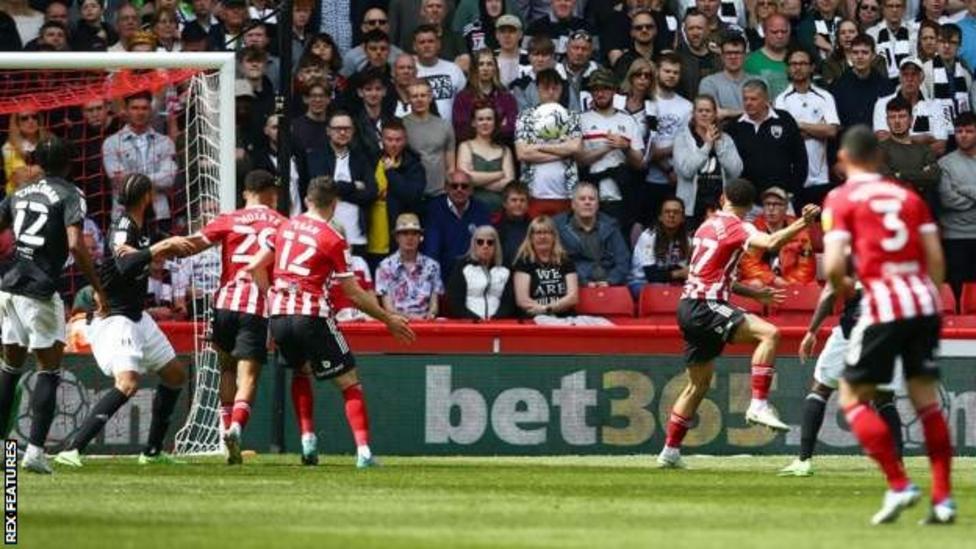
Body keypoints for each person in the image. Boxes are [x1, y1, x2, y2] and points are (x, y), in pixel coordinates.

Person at [821, 125, 954, 525]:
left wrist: (842, 285)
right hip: (924, 302)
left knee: (850, 396)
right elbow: (935, 259)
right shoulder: (908, 196)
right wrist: (928, 300)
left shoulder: (840, 198)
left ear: (843, 161)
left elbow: (832, 267)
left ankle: (899, 484)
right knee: (926, 402)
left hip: (883, 304)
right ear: (879, 159)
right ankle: (943, 500)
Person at [244, 176, 416, 467]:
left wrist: (270, 296)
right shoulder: (332, 237)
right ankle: (363, 453)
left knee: (301, 373)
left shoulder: (284, 227)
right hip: (312, 315)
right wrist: (387, 319)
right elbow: (353, 293)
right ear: (334, 204)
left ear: (308, 199)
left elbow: (253, 266)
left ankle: (308, 442)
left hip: (280, 317)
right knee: (350, 384)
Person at [657, 178, 820, 469]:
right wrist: (803, 222)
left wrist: (753, 291)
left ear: (722, 198)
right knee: (770, 334)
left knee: (698, 385)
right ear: (749, 206)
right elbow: (770, 242)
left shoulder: (707, 225)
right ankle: (758, 404)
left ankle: (670, 451)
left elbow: (716, 274)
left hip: (688, 305)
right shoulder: (738, 226)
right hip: (707, 306)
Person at [53, 174, 192, 469]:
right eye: (152, 192)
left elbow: (146, 255)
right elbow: (124, 263)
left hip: (136, 317)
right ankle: (72, 449)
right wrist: (158, 249)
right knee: (127, 384)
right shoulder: (123, 226)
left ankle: (152, 452)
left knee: (176, 375)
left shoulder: (145, 228)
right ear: (146, 197)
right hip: (115, 318)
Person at [157, 170, 285, 465]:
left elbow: (192, 245)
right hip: (256, 305)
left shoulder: (229, 219)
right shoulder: (282, 223)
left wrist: (160, 247)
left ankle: (225, 433)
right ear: (271, 194)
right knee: (248, 375)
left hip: (224, 303)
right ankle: (237, 429)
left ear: (245, 193)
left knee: (226, 369)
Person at [0, 137, 107, 473]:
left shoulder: (19, 192)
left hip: (8, 286)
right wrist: (97, 285)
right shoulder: (70, 194)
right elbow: (75, 244)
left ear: (40, 164)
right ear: (69, 163)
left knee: (10, 369)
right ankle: (34, 451)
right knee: (48, 369)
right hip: (39, 290)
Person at [780, 279, 905, 477]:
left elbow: (830, 292)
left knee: (821, 389)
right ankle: (897, 463)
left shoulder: (849, 257)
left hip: (852, 334)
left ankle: (803, 460)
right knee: (883, 397)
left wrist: (812, 331)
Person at [774, 48, 841, 210]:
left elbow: (832, 131)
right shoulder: (781, 99)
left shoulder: (825, 97)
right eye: (794, 64)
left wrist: (799, 125)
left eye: (803, 63)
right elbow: (784, 136)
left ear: (812, 67)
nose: (798, 67)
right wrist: (818, 129)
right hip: (792, 176)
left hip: (820, 176)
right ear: (788, 68)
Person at [577, 68, 644, 228]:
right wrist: (606, 148)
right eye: (595, 89)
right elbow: (579, 160)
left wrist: (625, 148)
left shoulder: (627, 120)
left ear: (614, 90)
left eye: (605, 88)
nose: (600, 93)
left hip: (621, 193)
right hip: (591, 193)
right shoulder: (582, 120)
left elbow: (640, 163)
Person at [306, 111, 378, 256]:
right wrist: (354, 186)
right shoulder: (316, 157)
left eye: (347, 128)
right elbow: (321, 189)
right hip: (324, 232)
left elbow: (371, 192)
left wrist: (338, 192)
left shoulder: (361, 159)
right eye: (337, 129)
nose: (343, 132)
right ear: (328, 131)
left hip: (356, 235)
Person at [102, 91, 179, 227]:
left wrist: (135, 178)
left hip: (159, 215)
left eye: (144, 108)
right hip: (124, 215)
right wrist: (154, 179)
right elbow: (119, 179)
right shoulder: (111, 143)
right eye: (135, 108)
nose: (140, 113)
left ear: (151, 111)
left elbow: (169, 178)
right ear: (126, 110)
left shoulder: (165, 142)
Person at [726, 80, 808, 206]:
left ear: (765, 99)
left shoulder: (784, 120)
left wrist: (793, 190)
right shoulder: (735, 126)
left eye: (753, 99)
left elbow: (800, 158)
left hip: (780, 199)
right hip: (747, 202)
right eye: (745, 99)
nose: (748, 103)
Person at [515, 68, 582, 218]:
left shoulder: (572, 117)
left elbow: (576, 147)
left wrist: (539, 147)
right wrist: (563, 151)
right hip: (533, 192)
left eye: (555, 88)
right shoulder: (526, 117)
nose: (551, 92)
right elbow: (522, 153)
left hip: (566, 193)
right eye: (546, 88)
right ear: (537, 89)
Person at [674, 94, 744, 227]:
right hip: (691, 208)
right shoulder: (682, 138)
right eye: (700, 111)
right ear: (693, 114)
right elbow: (686, 171)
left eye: (708, 111)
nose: (704, 114)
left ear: (715, 114)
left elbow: (736, 171)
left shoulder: (726, 140)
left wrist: (717, 145)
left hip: (720, 206)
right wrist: (707, 146)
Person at [366, 119, 427, 267]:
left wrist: (391, 172)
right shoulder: (371, 160)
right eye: (389, 139)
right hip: (372, 234)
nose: (393, 144)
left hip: (400, 237)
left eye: (398, 140)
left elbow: (412, 195)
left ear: (405, 140)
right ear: (382, 140)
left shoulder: (414, 165)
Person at [553, 182, 631, 287]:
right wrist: (584, 283)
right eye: (582, 199)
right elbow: (558, 263)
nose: (587, 202)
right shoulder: (559, 228)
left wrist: (610, 281)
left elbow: (623, 260)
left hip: (610, 285)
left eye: (591, 199)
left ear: (597, 205)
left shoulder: (611, 226)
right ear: (573, 205)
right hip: (576, 287)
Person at [738, 187, 816, 287]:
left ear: (786, 207)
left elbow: (806, 266)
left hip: (791, 282)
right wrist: (772, 279)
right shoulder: (753, 229)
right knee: (755, 284)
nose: (771, 208)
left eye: (777, 204)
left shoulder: (799, 229)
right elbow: (748, 264)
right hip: (762, 282)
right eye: (767, 204)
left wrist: (791, 283)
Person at [872, 57, 948, 157]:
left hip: (924, 167)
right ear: (899, 77)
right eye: (905, 74)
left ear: (922, 78)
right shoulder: (882, 103)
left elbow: (941, 147)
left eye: (914, 74)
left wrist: (898, 141)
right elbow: (882, 138)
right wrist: (923, 139)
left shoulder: (935, 106)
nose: (909, 79)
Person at [424, 170, 492, 281]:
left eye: (464, 186)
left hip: (474, 275)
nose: (459, 190)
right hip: (443, 275)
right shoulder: (434, 209)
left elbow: (487, 248)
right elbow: (432, 250)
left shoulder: (481, 210)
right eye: (454, 186)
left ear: (471, 190)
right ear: (446, 188)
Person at [375, 213, 444, 319]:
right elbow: (388, 308)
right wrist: (413, 318)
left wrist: (431, 315)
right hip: (397, 324)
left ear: (420, 237)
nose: (410, 238)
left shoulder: (432, 266)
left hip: (426, 323)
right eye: (405, 233)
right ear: (397, 237)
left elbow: (434, 305)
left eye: (414, 234)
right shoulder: (384, 267)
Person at [937, 112, 976, 299]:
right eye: (959, 131)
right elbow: (947, 199)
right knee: (958, 295)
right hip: (954, 238)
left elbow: (956, 195)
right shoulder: (944, 163)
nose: (963, 135)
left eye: (969, 131)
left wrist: (964, 189)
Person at [879, 96, 942, 207]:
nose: (897, 121)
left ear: (911, 120)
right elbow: (887, 181)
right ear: (887, 121)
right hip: (892, 211)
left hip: (921, 210)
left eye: (902, 116)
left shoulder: (924, 149)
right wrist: (920, 176)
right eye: (892, 117)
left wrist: (900, 174)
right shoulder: (879, 149)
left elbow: (934, 176)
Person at [512, 215, 579, 317]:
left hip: (564, 318)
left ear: (554, 236)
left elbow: (573, 297)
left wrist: (547, 309)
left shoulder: (565, 260)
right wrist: (547, 311)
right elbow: (522, 300)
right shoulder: (524, 262)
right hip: (535, 319)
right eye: (538, 233)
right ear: (531, 237)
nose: (542, 237)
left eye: (547, 232)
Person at [446, 225, 515, 319]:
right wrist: (477, 321)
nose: (485, 246)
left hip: (498, 324)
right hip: (469, 324)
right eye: (480, 242)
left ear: (496, 246)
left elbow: (508, 302)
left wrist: (495, 320)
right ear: (474, 245)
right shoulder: (461, 266)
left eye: (490, 242)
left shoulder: (505, 268)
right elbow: (455, 303)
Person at [457, 102, 516, 212]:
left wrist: (478, 182)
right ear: (473, 123)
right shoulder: (465, 146)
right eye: (480, 119)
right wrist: (499, 174)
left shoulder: (505, 150)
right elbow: (465, 179)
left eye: (489, 119)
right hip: (471, 209)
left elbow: (509, 185)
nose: (485, 123)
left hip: (500, 211)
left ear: (495, 122)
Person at [628, 197, 692, 297]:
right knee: (662, 291)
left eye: (676, 212)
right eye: (667, 212)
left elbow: (681, 269)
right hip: (641, 282)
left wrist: (680, 274)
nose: (671, 215)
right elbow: (651, 275)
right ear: (660, 217)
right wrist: (678, 274)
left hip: (669, 283)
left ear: (683, 218)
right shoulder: (648, 236)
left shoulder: (686, 240)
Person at [404, 78, 457, 197]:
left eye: (423, 95)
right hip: (412, 192)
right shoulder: (401, 126)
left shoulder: (445, 125)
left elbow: (451, 166)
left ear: (430, 97)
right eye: (414, 96)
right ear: (408, 99)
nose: (419, 99)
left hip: (440, 192)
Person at [452, 48, 519, 143]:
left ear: (495, 68)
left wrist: (477, 125)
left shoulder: (507, 97)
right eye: (481, 64)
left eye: (489, 64)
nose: (485, 68)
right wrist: (499, 126)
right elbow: (461, 131)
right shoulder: (463, 98)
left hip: (502, 148)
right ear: (474, 68)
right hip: (472, 150)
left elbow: (512, 128)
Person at [831, 33, 896, 129]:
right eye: (855, 52)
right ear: (850, 55)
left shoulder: (886, 86)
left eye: (865, 52)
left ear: (873, 55)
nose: (859, 56)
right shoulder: (837, 86)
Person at [922, 24, 973, 139]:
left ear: (959, 46)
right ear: (936, 44)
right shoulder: (925, 71)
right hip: (936, 133)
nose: (946, 46)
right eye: (942, 41)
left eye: (952, 42)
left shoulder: (965, 74)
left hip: (962, 132)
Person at [413, 24, 468, 124]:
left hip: (449, 133)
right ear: (414, 46)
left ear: (438, 44)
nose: (426, 45)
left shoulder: (454, 69)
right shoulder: (409, 71)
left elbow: (465, 102)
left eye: (431, 41)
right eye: (422, 42)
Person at [821, 19, 889, 86]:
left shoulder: (877, 60)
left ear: (859, 34)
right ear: (838, 38)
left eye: (851, 32)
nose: (847, 36)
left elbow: (883, 85)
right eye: (842, 33)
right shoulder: (829, 63)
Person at [698, 34, 749, 121]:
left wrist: (727, 112)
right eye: (728, 53)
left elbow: (766, 112)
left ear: (745, 56)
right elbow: (713, 114)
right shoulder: (708, 82)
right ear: (721, 56)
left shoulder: (758, 82)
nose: (733, 57)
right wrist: (750, 112)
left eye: (737, 53)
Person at [867, 0, 917, 86]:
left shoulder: (913, 33)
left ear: (904, 9)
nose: (894, 10)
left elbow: (915, 61)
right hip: (879, 85)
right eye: (890, 6)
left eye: (898, 6)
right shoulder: (872, 34)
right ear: (883, 9)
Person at [744, 13, 792, 99]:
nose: (780, 36)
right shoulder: (750, 62)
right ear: (764, 32)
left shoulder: (798, 60)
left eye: (784, 31)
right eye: (774, 32)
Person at [2, 110, 47, 195]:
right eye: (24, 118)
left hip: (46, 194)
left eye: (34, 117)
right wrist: (44, 169)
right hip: (18, 196)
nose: (31, 121)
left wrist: (36, 171)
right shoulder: (9, 147)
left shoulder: (48, 141)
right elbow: (20, 179)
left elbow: (58, 172)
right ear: (17, 123)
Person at [495, 181, 531, 266]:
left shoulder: (533, 227)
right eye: (514, 200)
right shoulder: (495, 225)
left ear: (528, 204)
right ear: (505, 203)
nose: (518, 204)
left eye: (522, 200)